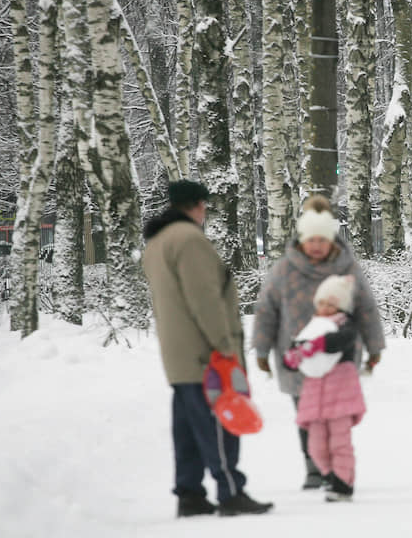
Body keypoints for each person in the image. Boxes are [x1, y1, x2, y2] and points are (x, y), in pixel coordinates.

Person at [142, 180, 273, 517]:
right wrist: (224, 345)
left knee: (186, 427)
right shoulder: (189, 240)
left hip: (179, 354)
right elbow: (205, 299)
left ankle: (190, 493)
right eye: (205, 206)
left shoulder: (157, 242)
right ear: (197, 205)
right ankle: (230, 491)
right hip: (206, 354)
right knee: (220, 419)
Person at [253, 196, 385, 490]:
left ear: (330, 239)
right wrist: (262, 349)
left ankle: (337, 469)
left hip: (339, 356)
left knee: (335, 415)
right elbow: (266, 310)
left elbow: (366, 308)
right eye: (310, 239)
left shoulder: (346, 267)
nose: (315, 245)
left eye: (321, 239)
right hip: (297, 355)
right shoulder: (284, 270)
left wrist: (375, 347)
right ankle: (315, 467)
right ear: (302, 239)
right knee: (308, 413)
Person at [283, 274, 365, 502]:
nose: (325, 308)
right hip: (315, 396)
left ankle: (343, 483)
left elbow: (340, 341)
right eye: (322, 303)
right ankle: (328, 474)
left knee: (340, 441)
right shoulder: (312, 326)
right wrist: (292, 357)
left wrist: (316, 345)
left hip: (340, 393)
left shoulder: (345, 326)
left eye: (332, 304)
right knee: (316, 444)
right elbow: (296, 351)